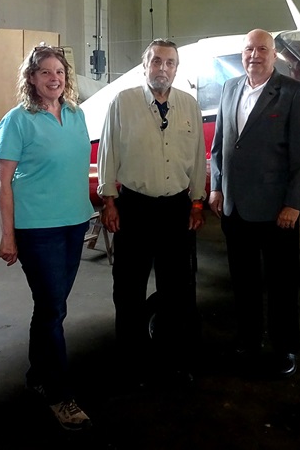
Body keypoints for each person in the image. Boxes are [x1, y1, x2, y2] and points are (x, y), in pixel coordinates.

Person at [0, 45, 94, 431]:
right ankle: (59, 394)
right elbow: (1, 180)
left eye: (60, 72)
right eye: (45, 72)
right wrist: (8, 236)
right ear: (32, 79)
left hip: (74, 224)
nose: (54, 78)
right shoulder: (17, 120)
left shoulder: (76, 114)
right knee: (52, 308)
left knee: (53, 308)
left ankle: (38, 375)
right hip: (37, 229)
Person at [96, 38, 206, 386]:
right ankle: (131, 363)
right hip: (135, 208)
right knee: (128, 289)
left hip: (177, 208)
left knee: (178, 290)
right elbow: (108, 154)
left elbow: (199, 156)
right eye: (156, 61)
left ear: (176, 68)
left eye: (170, 62)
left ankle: (174, 360)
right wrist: (108, 200)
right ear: (146, 66)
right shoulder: (123, 103)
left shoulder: (188, 105)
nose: (163, 68)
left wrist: (198, 201)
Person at [209, 29, 300, 378]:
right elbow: (220, 146)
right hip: (234, 207)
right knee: (244, 283)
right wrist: (216, 187)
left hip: (276, 211)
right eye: (249, 49)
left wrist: (294, 203)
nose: (254, 55)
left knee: (282, 284)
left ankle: (285, 348)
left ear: (274, 55)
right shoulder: (229, 88)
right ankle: (248, 341)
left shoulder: (293, 93)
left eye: (262, 49)